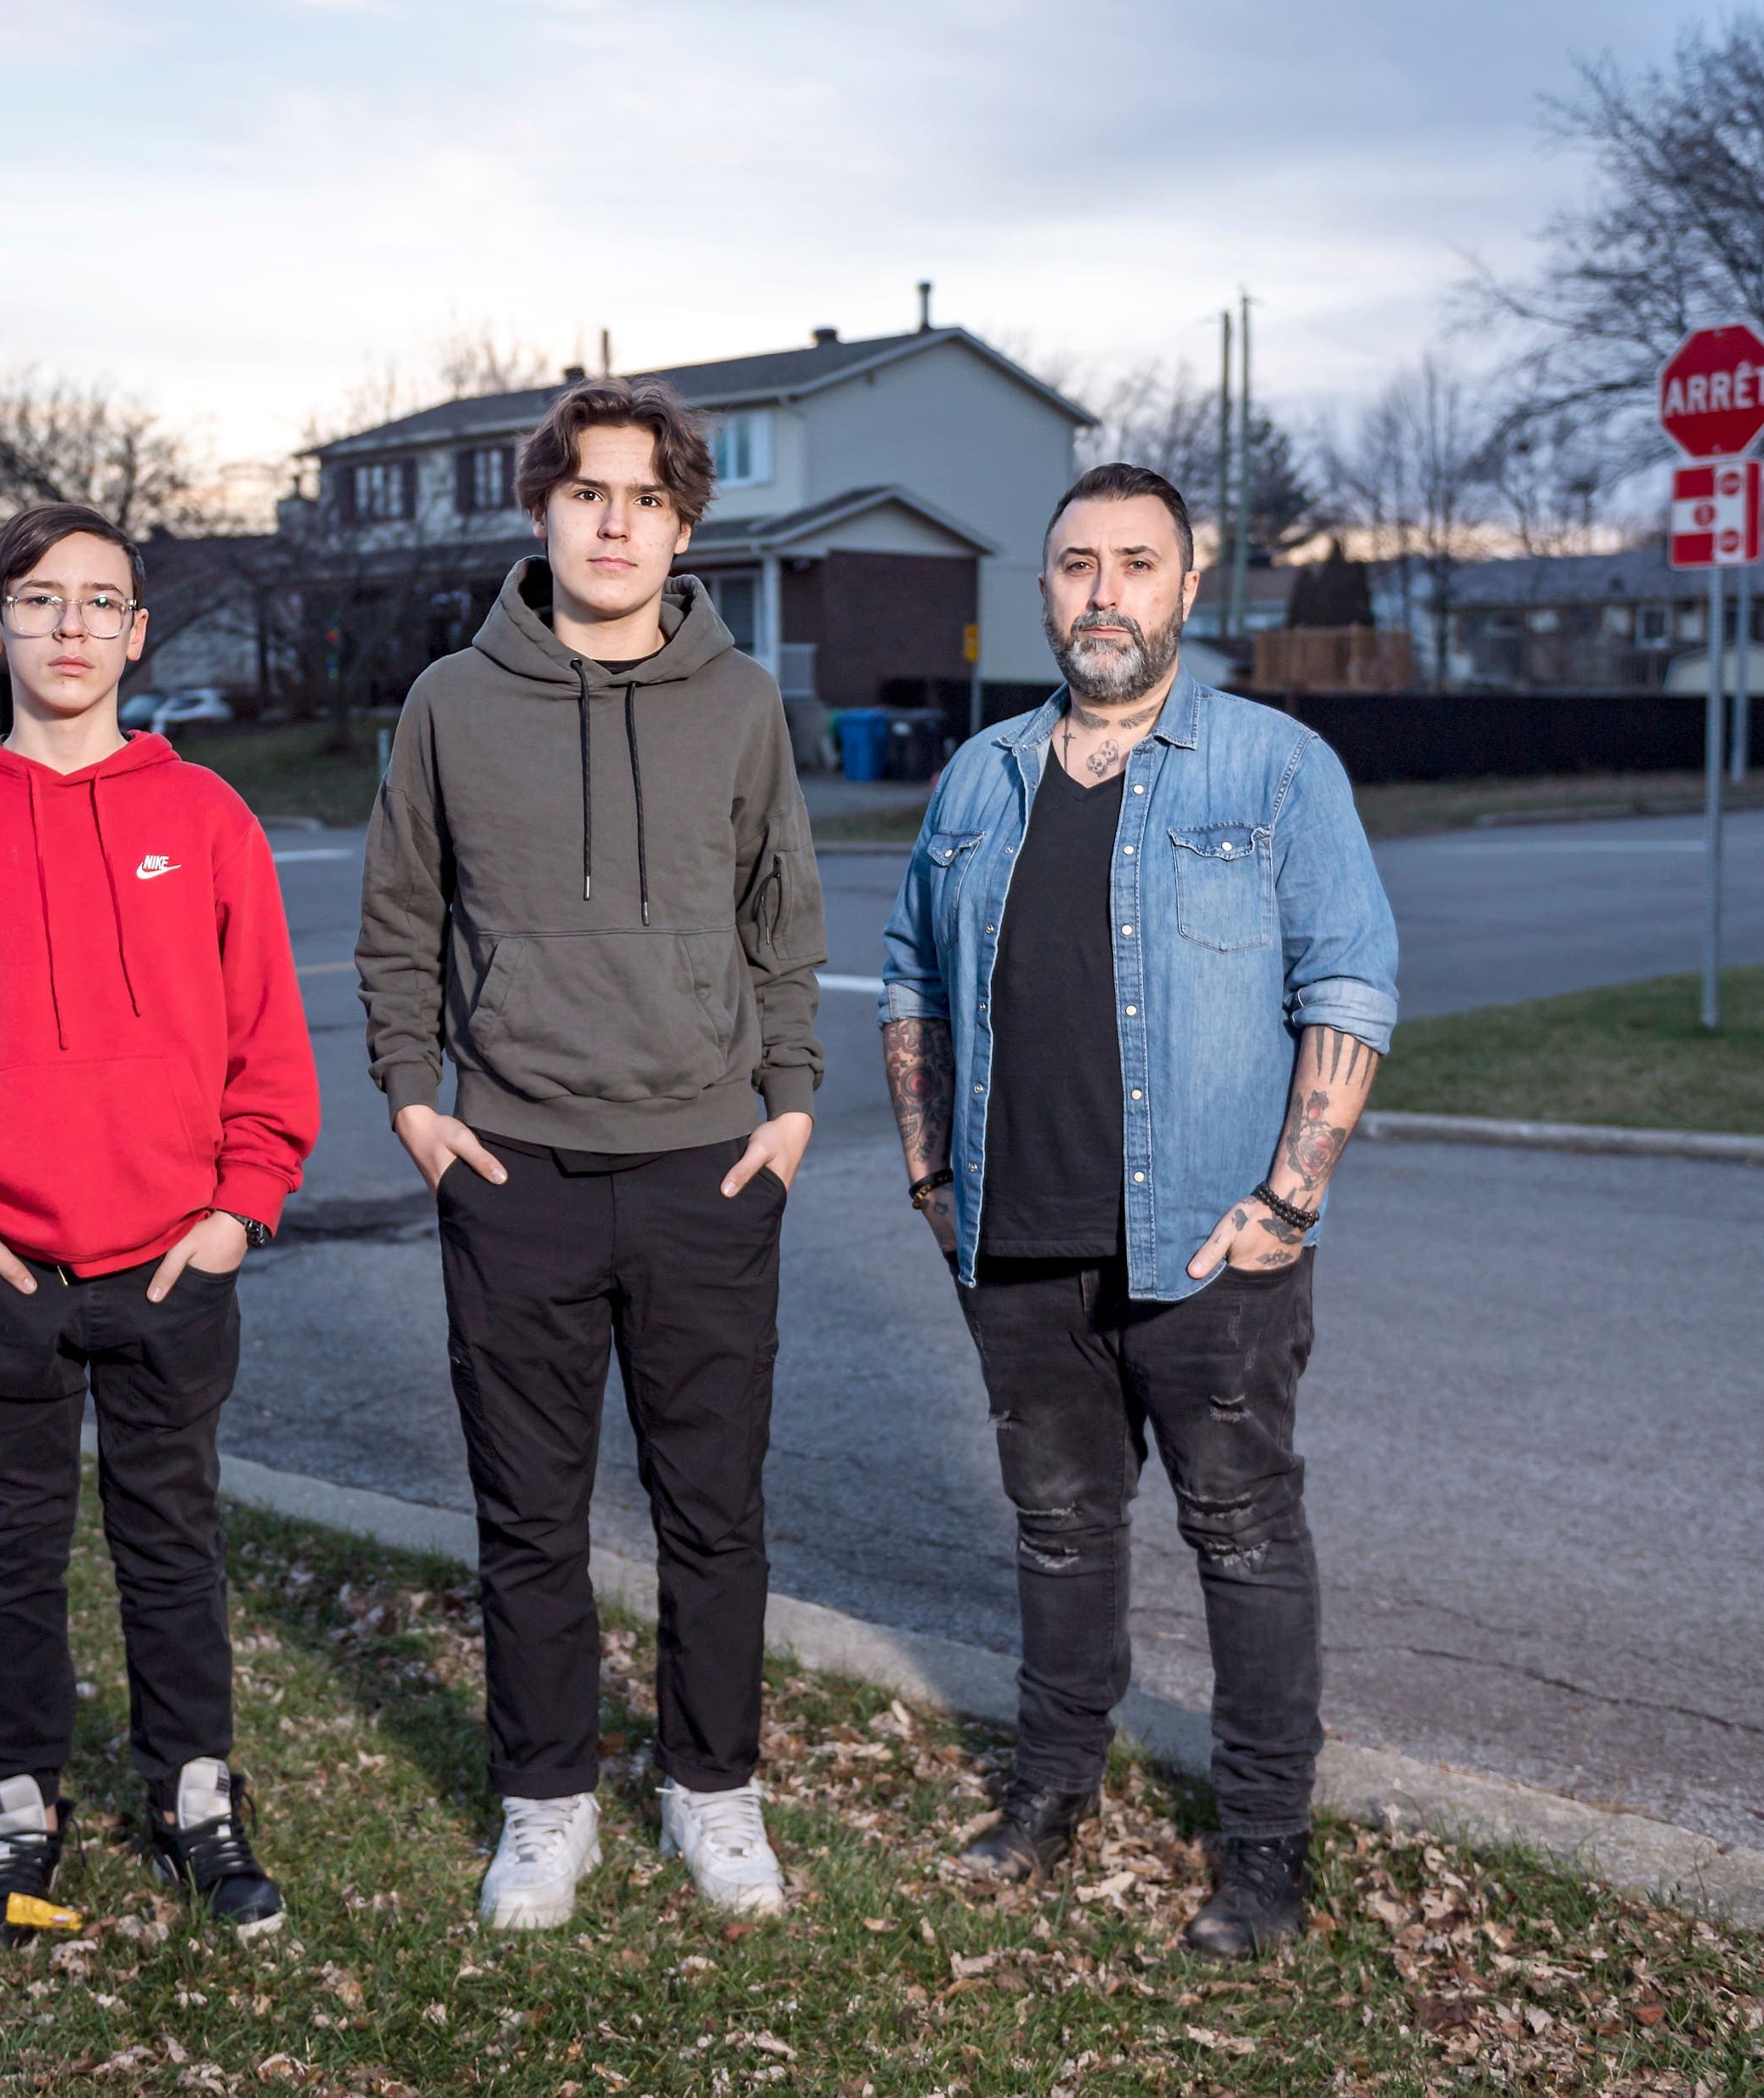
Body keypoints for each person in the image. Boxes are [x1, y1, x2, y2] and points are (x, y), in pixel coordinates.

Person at [876, 462, 1398, 1959]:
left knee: (1243, 1539)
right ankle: (1051, 1795)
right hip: (1018, 1245)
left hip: (1212, 1248)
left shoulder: (1274, 769)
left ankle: (1261, 1855)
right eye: (1076, 564)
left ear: (1185, 585)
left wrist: (1288, 1201)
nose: (1104, 591)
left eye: (1136, 564)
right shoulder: (980, 779)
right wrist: (930, 1174)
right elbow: (912, 978)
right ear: (1044, 590)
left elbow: (1348, 981)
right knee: (1057, 1534)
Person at [356, 377, 827, 1930]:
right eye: (586, 494)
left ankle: (714, 1791)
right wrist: (417, 1103)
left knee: (715, 1508)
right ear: (542, 514)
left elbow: (784, 922)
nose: (613, 521)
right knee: (529, 1511)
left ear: (683, 523)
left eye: (643, 497)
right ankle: (546, 1804)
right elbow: (401, 922)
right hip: (512, 1171)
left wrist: (791, 1099)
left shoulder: (743, 701)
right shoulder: (448, 701)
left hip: (708, 1165)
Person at [0, 501, 319, 1944]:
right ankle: (17, 1810)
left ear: (139, 633)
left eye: (102, 603)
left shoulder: (204, 817)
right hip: (0, 1266)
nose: (71, 628)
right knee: (12, 1550)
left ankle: (193, 1794)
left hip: (173, 1259)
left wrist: (237, 1215)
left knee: (174, 1540)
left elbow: (267, 1051)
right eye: (40, 602)